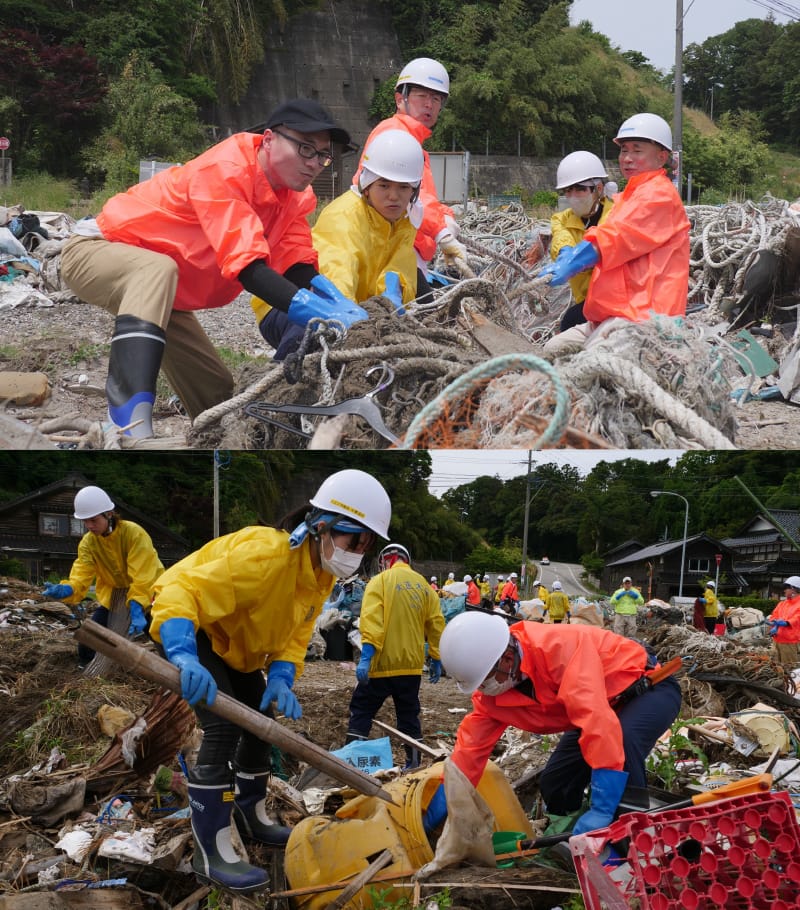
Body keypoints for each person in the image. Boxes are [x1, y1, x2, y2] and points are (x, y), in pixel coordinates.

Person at [60, 99, 366, 438]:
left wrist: (336, 300)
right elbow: (249, 267)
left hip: (163, 291)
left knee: (218, 396)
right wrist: (313, 311)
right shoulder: (226, 169)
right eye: (305, 149)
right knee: (157, 269)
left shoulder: (292, 197)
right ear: (268, 139)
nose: (314, 163)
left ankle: (211, 440)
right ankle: (128, 426)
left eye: (322, 155)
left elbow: (296, 265)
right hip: (96, 250)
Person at [148, 469, 391, 892]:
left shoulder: (320, 574)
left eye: (366, 543)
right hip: (198, 631)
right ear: (322, 527)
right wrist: (184, 653)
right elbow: (180, 588)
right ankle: (213, 848)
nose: (358, 551)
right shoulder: (267, 556)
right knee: (223, 727)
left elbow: (297, 634)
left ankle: (252, 814)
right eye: (355, 540)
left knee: (262, 726)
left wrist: (281, 675)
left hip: (240, 649)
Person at [424, 612, 682, 837]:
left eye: (487, 679)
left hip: (648, 688)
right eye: (479, 683)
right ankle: (572, 837)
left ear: (505, 656)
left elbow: (597, 722)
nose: (485, 688)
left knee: (623, 745)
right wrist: (448, 795)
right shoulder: (492, 696)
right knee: (556, 783)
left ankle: (631, 837)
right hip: (603, 707)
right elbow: (469, 752)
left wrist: (603, 808)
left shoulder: (558, 650)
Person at [252, 128, 425, 359]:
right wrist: (352, 323)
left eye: (403, 187)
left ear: (414, 190)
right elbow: (337, 271)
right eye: (384, 185)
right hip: (289, 304)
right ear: (367, 185)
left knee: (422, 287)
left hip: (353, 305)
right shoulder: (344, 216)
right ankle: (283, 381)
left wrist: (391, 298)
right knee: (316, 322)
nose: (394, 196)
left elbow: (400, 267)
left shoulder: (404, 221)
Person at [541, 113, 690, 356]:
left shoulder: (659, 196)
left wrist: (576, 258)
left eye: (637, 151)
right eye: (623, 150)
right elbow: (565, 234)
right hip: (611, 310)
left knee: (590, 364)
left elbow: (614, 237)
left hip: (643, 315)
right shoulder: (629, 197)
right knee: (551, 350)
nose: (627, 158)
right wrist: (568, 254)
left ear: (662, 157)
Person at [354, 58, 467, 298]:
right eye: (421, 96)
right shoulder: (394, 135)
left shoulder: (412, 141)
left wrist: (445, 217)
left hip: (401, 249)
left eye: (436, 99)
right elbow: (406, 197)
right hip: (390, 252)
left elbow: (422, 195)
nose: (429, 104)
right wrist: (441, 231)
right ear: (400, 99)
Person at [345, 542, 445, 771]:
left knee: (362, 709)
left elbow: (372, 621)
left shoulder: (379, 582)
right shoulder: (424, 586)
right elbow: (436, 624)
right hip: (411, 667)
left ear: (385, 560)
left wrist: (366, 656)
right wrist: (437, 658)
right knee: (409, 715)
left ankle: (350, 765)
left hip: (382, 664)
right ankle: (414, 766)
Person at [42, 485, 164, 668]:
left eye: (93, 520)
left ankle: (177, 674)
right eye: (85, 522)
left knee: (163, 636)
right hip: (114, 596)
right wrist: (69, 588)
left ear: (109, 514)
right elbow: (82, 572)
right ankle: (87, 674)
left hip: (149, 594)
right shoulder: (88, 543)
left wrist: (138, 604)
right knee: (89, 639)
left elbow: (144, 574)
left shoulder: (133, 533)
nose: (90, 526)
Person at [549, 151, 614, 332]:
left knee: (570, 321)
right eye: (568, 190)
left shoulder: (616, 215)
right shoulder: (561, 219)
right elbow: (561, 237)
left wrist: (581, 260)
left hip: (616, 299)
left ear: (598, 189)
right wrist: (565, 253)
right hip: (587, 301)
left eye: (580, 188)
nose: (573, 195)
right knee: (570, 322)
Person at [767, 576, 800, 667]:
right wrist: (774, 624)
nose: (784, 591)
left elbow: (797, 618)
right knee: (775, 668)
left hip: (790, 643)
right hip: (776, 640)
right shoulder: (782, 604)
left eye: (786, 588)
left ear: (793, 589)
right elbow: (774, 616)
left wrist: (787, 623)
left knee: (790, 670)